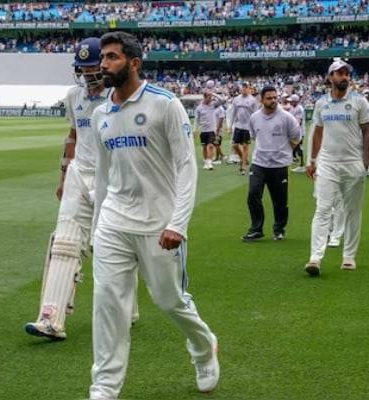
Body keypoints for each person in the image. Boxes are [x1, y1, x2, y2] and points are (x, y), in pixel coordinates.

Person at [90, 32, 219, 399]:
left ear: (134, 62)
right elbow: (104, 177)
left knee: (168, 300)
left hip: (158, 225)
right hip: (115, 222)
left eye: (112, 57)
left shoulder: (165, 104)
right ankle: (104, 388)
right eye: (103, 58)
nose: (104, 64)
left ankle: (203, 345)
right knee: (108, 304)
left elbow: (186, 166)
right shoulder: (101, 114)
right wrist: (97, 228)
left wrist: (178, 222)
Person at [25, 37, 124, 341]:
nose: (87, 76)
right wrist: (64, 176)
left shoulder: (121, 96)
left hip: (114, 178)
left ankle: (126, 308)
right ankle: (50, 318)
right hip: (80, 174)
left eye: (92, 69)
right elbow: (73, 136)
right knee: (65, 243)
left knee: (112, 247)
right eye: (82, 70)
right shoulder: (74, 95)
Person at [304, 59, 369, 276]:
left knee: (352, 211)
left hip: (353, 164)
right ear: (330, 77)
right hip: (327, 163)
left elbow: (367, 132)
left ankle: (349, 256)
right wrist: (313, 161)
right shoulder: (321, 103)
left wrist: (365, 163)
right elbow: (318, 132)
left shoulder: (359, 102)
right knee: (323, 209)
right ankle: (315, 257)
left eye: (346, 73)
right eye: (339, 73)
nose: (344, 77)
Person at [241, 86, 301, 242]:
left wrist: (284, 151)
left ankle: (279, 229)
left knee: (280, 200)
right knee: (253, 194)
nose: (273, 100)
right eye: (269, 98)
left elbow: (296, 137)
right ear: (261, 99)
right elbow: (254, 136)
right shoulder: (254, 117)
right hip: (259, 163)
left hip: (279, 165)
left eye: (275, 97)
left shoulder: (286, 117)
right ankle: (256, 229)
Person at [229, 82, 259, 175]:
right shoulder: (236, 99)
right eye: (243, 87)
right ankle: (244, 159)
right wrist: (230, 126)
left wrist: (255, 128)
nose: (244, 89)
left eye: (246, 87)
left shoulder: (253, 100)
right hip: (238, 125)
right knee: (234, 145)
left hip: (248, 127)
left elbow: (256, 114)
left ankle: (243, 167)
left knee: (246, 146)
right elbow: (233, 113)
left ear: (249, 89)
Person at [194, 89, 225, 170]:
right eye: (209, 97)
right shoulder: (199, 108)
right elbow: (196, 120)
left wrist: (214, 93)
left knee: (210, 145)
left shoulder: (213, 105)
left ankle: (209, 162)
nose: (211, 99)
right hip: (203, 130)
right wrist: (195, 130)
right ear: (205, 97)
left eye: (211, 97)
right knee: (204, 147)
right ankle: (206, 162)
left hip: (212, 130)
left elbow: (223, 100)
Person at [288, 94, 307, 173]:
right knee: (295, 147)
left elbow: (298, 122)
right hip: (295, 131)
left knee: (299, 148)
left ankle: (302, 166)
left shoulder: (299, 109)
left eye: (292, 101)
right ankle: (297, 162)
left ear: (295, 101)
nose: (290, 102)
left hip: (299, 131)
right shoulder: (293, 107)